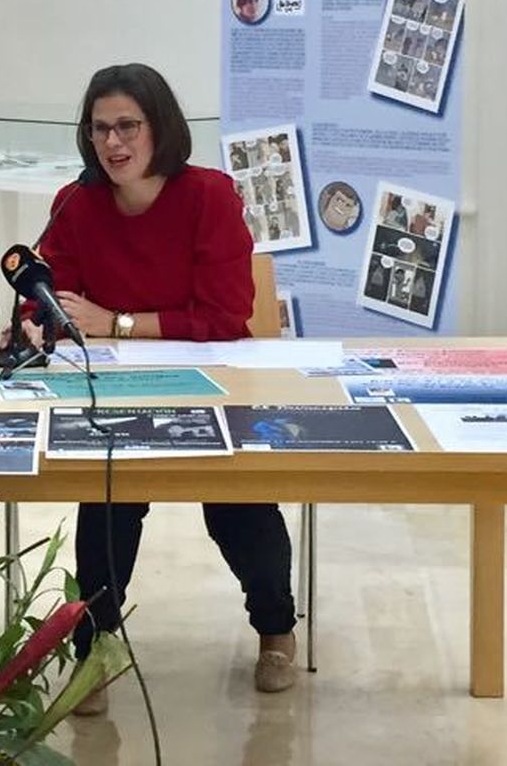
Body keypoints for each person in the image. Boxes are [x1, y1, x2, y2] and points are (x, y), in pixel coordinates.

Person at [20, 62, 299, 711]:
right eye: (99, 130)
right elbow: (45, 293)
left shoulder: (209, 195)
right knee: (109, 496)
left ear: (159, 128)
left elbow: (227, 317)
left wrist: (116, 321)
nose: (113, 144)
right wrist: (42, 322)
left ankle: (276, 630)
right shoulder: (76, 202)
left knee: (237, 504)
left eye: (127, 127)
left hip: (215, 382)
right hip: (118, 391)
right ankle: (95, 650)